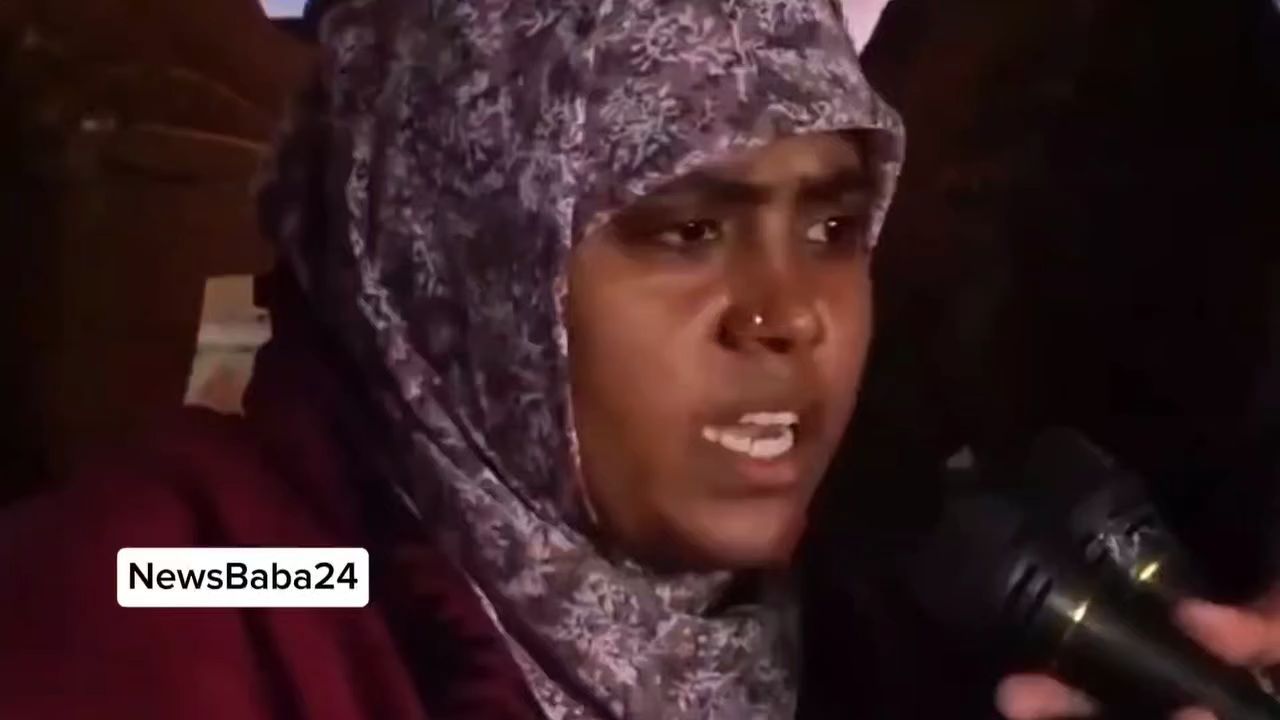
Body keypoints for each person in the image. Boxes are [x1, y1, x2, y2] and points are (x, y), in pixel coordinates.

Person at [0, 1, 1274, 719]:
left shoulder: (869, 621)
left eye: (832, 228)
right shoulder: (182, 586)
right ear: (471, 258)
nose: (788, 315)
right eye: (684, 231)